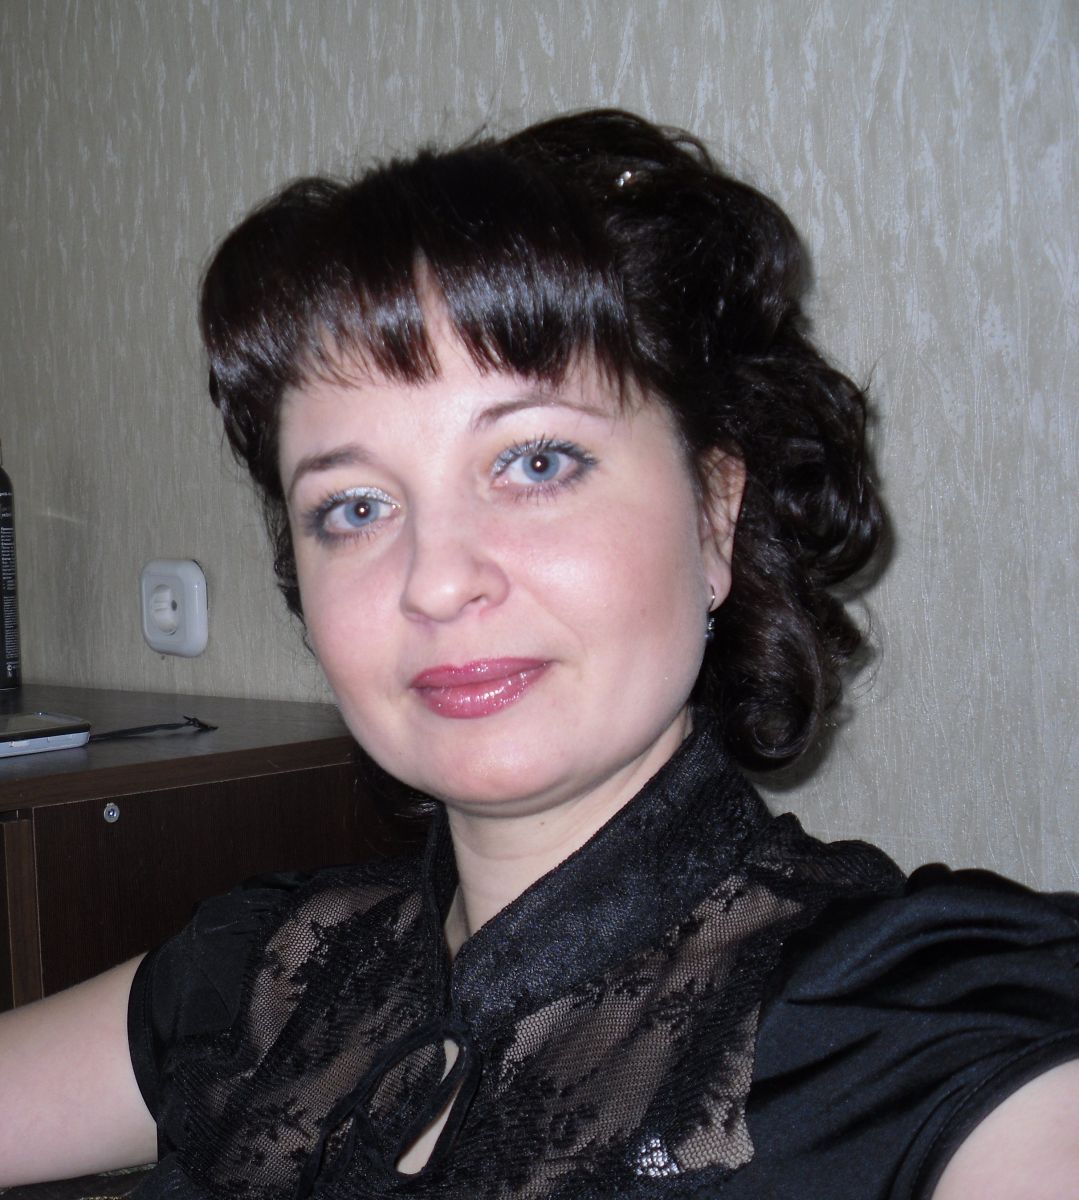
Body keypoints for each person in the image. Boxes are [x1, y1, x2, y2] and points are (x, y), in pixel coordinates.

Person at [1, 109, 1076, 1198]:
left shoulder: (910, 1042)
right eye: (356, 506)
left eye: (535, 463)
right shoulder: (263, 975)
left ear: (713, 515)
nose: (436, 579)